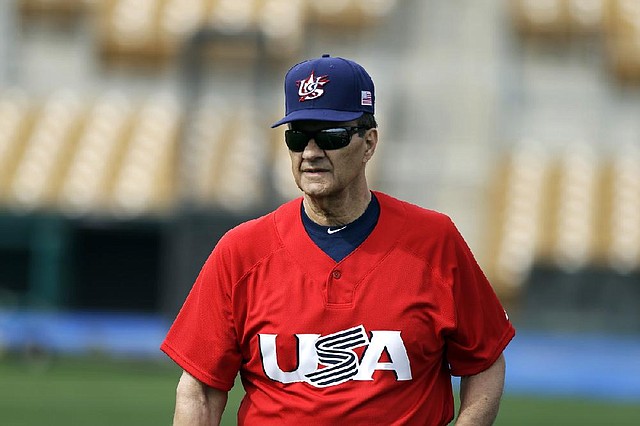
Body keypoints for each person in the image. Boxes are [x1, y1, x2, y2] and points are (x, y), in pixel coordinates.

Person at [161, 54, 515, 425]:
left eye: (331, 136)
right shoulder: (242, 251)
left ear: (369, 143)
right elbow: (200, 390)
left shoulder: (434, 241)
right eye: (298, 137)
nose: (311, 153)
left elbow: (485, 360)